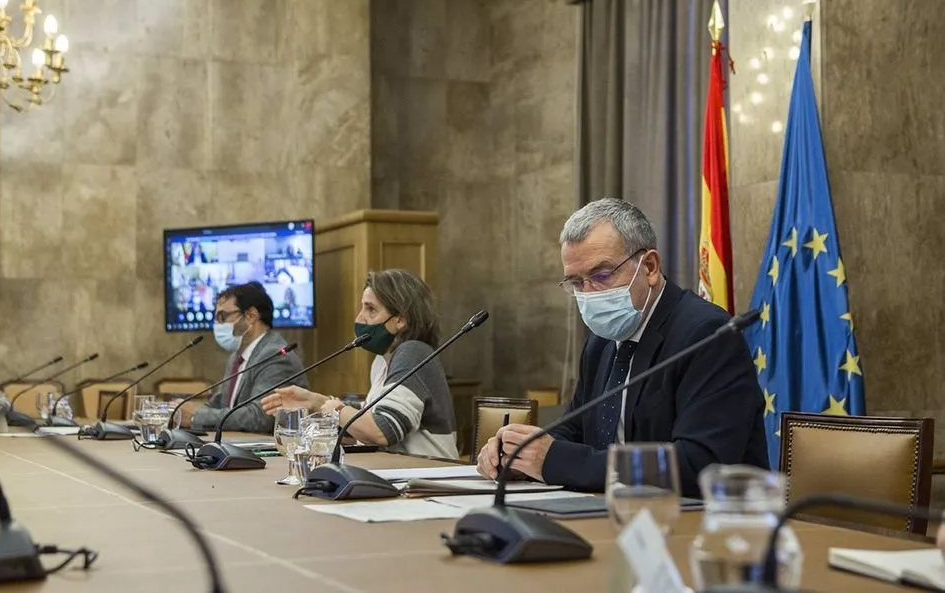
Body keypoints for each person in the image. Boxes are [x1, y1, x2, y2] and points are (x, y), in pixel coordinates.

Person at [476, 198, 769, 497]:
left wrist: (554, 461)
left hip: (704, 516)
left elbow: (699, 465)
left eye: (601, 275)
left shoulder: (707, 334)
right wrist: (522, 455)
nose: (588, 293)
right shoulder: (601, 341)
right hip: (617, 511)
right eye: (576, 282)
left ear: (650, 267)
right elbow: (575, 429)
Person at [262, 269, 459, 459]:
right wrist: (313, 402)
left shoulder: (413, 353)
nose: (359, 318)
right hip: (403, 473)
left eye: (371, 309)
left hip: (431, 475)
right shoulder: (382, 362)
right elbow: (368, 417)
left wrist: (328, 407)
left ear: (400, 319)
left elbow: (383, 431)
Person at [185, 282, 309, 433]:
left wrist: (195, 417)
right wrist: (183, 411)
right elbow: (220, 403)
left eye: (222, 316)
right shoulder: (237, 357)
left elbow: (259, 417)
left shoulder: (275, 356)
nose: (217, 324)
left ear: (251, 315)